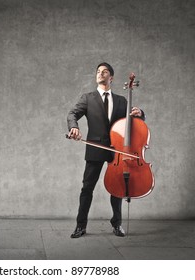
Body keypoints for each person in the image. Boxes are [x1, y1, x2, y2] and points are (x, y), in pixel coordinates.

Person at [67, 62, 145, 238]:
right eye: (98, 71)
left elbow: (132, 122)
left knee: (117, 189)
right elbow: (72, 114)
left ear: (111, 78)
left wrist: (141, 113)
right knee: (87, 188)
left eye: (105, 72)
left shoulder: (121, 100)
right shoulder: (87, 98)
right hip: (95, 148)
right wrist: (74, 127)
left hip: (117, 151)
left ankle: (117, 224)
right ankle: (81, 226)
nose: (101, 73)